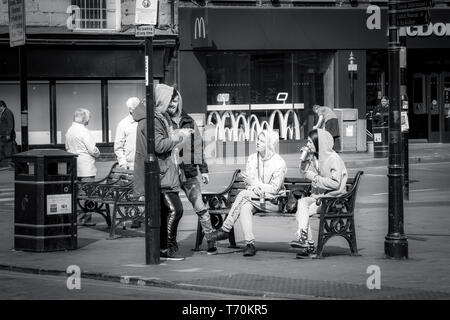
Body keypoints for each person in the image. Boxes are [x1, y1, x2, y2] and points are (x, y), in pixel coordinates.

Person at [133, 84, 191, 261]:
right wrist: (180, 137)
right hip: (160, 173)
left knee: (165, 212)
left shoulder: (157, 117)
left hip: (163, 172)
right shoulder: (153, 120)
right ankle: (169, 248)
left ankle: (164, 248)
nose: (173, 102)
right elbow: (158, 145)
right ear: (161, 100)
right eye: (170, 99)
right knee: (176, 210)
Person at [209, 129, 287, 257]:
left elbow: (274, 189)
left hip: (273, 202)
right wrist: (254, 187)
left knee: (243, 195)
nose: (257, 142)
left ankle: (225, 229)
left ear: (269, 144)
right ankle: (249, 244)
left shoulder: (279, 163)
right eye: (257, 139)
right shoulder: (252, 158)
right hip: (255, 198)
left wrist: (256, 185)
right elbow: (248, 182)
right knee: (245, 207)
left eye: (262, 141)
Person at [166, 87, 217, 255]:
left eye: (175, 100)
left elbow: (197, 146)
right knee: (172, 210)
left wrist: (203, 170)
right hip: (171, 171)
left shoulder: (188, 120)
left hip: (188, 170)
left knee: (200, 207)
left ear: (179, 101)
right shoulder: (163, 120)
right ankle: (169, 243)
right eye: (170, 100)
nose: (173, 103)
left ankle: (210, 239)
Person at [290, 129, 348, 258]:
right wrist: (305, 160)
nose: (308, 144)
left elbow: (336, 183)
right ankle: (305, 241)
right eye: (308, 141)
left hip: (332, 200)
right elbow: (304, 173)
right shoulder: (316, 157)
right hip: (319, 198)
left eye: (311, 142)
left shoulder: (333, 158)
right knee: (302, 203)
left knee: (300, 213)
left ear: (319, 142)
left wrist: (315, 178)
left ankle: (307, 244)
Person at [65, 108, 101, 226]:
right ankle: (86, 218)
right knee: (88, 194)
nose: (89, 120)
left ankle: (77, 216)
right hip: (86, 167)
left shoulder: (70, 130)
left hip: (74, 167)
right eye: (88, 118)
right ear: (85, 119)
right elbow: (92, 149)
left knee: (77, 194)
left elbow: (66, 148)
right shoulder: (83, 131)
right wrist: (98, 154)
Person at [114, 97, 140, 170]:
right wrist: (122, 162)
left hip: (145, 163)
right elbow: (118, 147)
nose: (139, 110)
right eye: (135, 107)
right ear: (130, 109)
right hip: (130, 165)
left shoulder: (145, 121)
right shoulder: (123, 124)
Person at [0, 100, 17, 166]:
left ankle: (12, 162)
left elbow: (10, 124)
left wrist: (8, 134)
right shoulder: (4, 112)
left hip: (7, 135)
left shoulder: (7, 112)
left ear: (2, 106)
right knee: (10, 148)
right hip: (3, 135)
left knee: (10, 149)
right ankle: (10, 162)